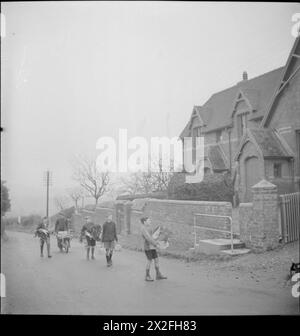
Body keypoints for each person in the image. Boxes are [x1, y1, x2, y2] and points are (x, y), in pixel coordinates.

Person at [140, 217, 167, 281]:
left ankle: (158, 274)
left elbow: (153, 237)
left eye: (150, 220)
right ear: (144, 222)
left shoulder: (150, 228)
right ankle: (147, 276)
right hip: (148, 247)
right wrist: (156, 244)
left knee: (156, 259)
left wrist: (159, 241)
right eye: (148, 221)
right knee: (149, 261)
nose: (150, 222)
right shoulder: (143, 229)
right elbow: (148, 238)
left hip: (152, 247)